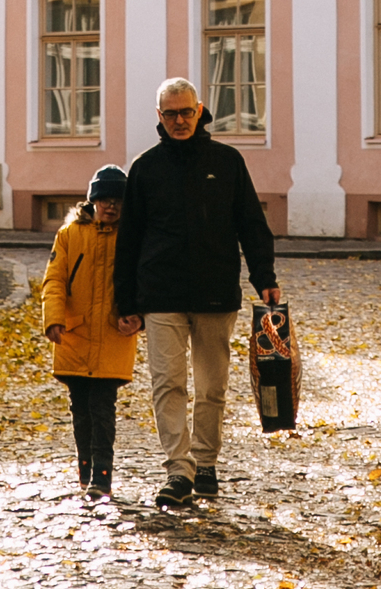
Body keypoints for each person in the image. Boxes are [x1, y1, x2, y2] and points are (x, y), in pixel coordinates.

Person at [113, 77, 279, 509]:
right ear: (159, 117)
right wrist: (125, 302)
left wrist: (265, 276)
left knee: (211, 387)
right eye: (171, 114)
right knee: (167, 383)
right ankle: (179, 469)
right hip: (160, 293)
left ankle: (205, 463)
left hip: (214, 291)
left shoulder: (226, 161)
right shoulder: (145, 168)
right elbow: (128, 240)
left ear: (200, 110)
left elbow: (250, 224)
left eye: (187, 112)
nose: (180, 120)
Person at [40, 164, 137, 500]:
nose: (112, 206)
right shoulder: (70, 235)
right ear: (93, 200)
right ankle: (85, 471)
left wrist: (136, 315)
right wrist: (53, 317)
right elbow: (54, 279)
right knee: (80, 409)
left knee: (102, 408)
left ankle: (102, 476)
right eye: (105, 199)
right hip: (74, 334)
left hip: (113, 336)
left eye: (119, 201)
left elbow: (142, 282)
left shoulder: (132, 236)